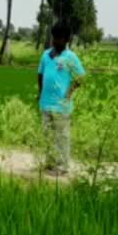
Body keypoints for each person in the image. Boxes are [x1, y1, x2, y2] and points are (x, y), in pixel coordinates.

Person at [37, 23, 86, 176]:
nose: (56, 41)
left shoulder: (70, 57)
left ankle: (63, 167)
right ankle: (50, 163)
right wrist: (40, 93)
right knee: (47, 136)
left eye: (59, 38)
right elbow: (40, 74)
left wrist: (68, 94)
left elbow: (80, 77)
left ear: (66, 40)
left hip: (61, 106)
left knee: (62, 137)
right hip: (45, 103)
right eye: (54, 37)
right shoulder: (46, 55)